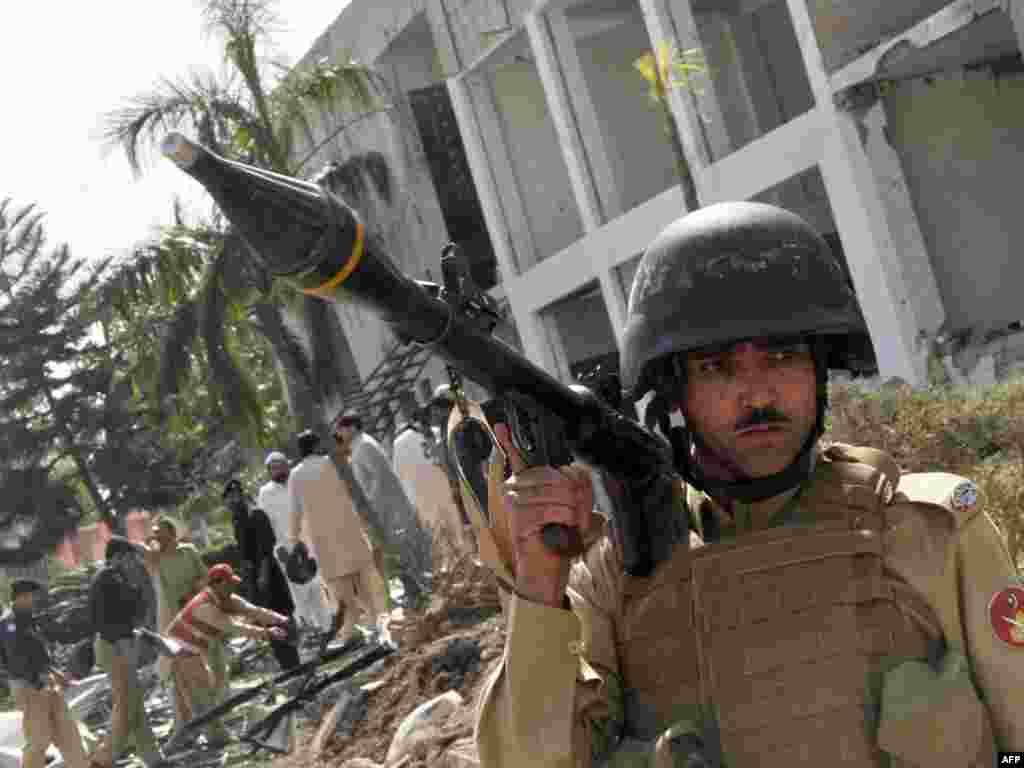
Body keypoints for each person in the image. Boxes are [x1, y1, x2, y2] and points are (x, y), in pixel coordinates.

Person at [474, 202, 1023, 767]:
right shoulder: (615, 585)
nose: (758, 395)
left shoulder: (931, 532)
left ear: (819, 372)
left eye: (782, 358)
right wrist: (540, 579)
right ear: (674, 395)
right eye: (717, 368)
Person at [166, 564, 290, 747]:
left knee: (192, 701)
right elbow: (234, 627)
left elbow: (254, 611)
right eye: (229, 583)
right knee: (202, 698)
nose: (233, 587)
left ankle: (182, 740)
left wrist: (283, 620)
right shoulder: (204, 606)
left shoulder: (225, 598)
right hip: (179, 652)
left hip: (191, 651)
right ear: (218, 584)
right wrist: (268, 633)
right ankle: (216, 737)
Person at [285, 429, 388, 643]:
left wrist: (294, 541)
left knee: (341, 595)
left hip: (324, 544)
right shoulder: (333, 462)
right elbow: (354, 491)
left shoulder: (295, 475)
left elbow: (295, 511)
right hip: (350, 532)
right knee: (367, 584)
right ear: (315, 446)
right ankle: (380, 624)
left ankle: (353, 632)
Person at [336, 409, 433, 604]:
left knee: (406, 552)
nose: (339, 434)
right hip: (386, 508)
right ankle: (416, 591)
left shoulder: (364, 446)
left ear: (353, 428)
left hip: (390, 509)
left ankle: (423, 592)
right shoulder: (359, 446)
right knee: (399, 554)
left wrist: (372, 508)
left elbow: (379, 480)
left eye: (342, 429)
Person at [87, 537, 165, 768]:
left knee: (134, 704)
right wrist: (124, 647)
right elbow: (116, 616)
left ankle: (154, 759)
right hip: (114, 647)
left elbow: (134, 607)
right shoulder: (109, 578)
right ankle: (102, 760)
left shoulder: (115, 577)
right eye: (130, 556)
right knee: (127, 706)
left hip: (118, 644)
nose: (133, 561)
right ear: (119, 556)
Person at [0, 579, 89, 768]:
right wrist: (37, 682)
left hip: (46, 683)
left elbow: (39, 657)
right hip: (30, 687)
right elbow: (15, 659)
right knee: (39, 740)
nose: (35, 600)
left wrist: (57, 675)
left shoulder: (27, 619)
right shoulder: (9, 623)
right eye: (33, 596)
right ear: (22, 597)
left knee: (68, 734)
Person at [138, 516, 208, 737]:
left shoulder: (189, 552)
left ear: (172, 532)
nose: (157, 535)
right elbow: (141, 550)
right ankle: (185, 723)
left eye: (161, 531)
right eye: (155, 532)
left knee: (200, 669)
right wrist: (151, 540)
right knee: (176, 673)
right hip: (170, 623)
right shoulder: (156, 559)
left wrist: (192, 591)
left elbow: (205, 577)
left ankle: (208, 719)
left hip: (195, 616)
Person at [257, 451, 332, 631]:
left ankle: (328, 628)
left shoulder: (297, 481)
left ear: (287, 465)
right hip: (287, 551)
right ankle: (310, 631)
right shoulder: (265, 493)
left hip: (310, 545)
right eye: (274, 467)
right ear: (269, 471)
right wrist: (278, 548)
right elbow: (267, 525)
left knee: (319, 588)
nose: (279, 469)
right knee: (300, 594)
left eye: (282, 465)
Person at [392, 389, 469, 551]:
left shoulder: (436, 434)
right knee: (455, 542)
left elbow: (399, 479)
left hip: (438, 498)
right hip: (435, 499)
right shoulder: (431, 435)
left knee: (451, 544)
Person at [243, 506, 300, 671]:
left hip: (271, 580)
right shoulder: (238, 520)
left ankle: (294, 666)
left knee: (282, 619)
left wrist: (263, 573)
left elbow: (266, 548)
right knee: (269, 625)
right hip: (257, 581)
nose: (233, 501)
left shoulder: (257, 515)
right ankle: (288, 668)